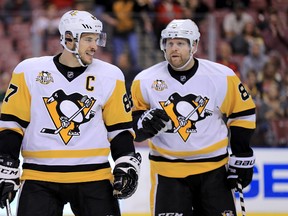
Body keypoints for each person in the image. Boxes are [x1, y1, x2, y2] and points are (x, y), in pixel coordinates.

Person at [0, 10, 141, 216]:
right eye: (88, 39)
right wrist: (6, 164)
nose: (95, 46)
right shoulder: (28, 71)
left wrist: (125, 160)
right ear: (68, 39)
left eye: (96, 39)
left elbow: (119, 129)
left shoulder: (111, 75)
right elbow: (12, 125)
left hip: (94, 177)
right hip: (39, 177)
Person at [131, 19, 256, 215]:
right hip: (167, 173)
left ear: (194, 45)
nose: (174, 48)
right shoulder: (144, 80)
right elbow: (131, 125)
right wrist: (141, 126)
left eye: (180, 43)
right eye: (169, 43)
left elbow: (243, 113)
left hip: (214, 171)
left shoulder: (222, 76)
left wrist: (242, 154)